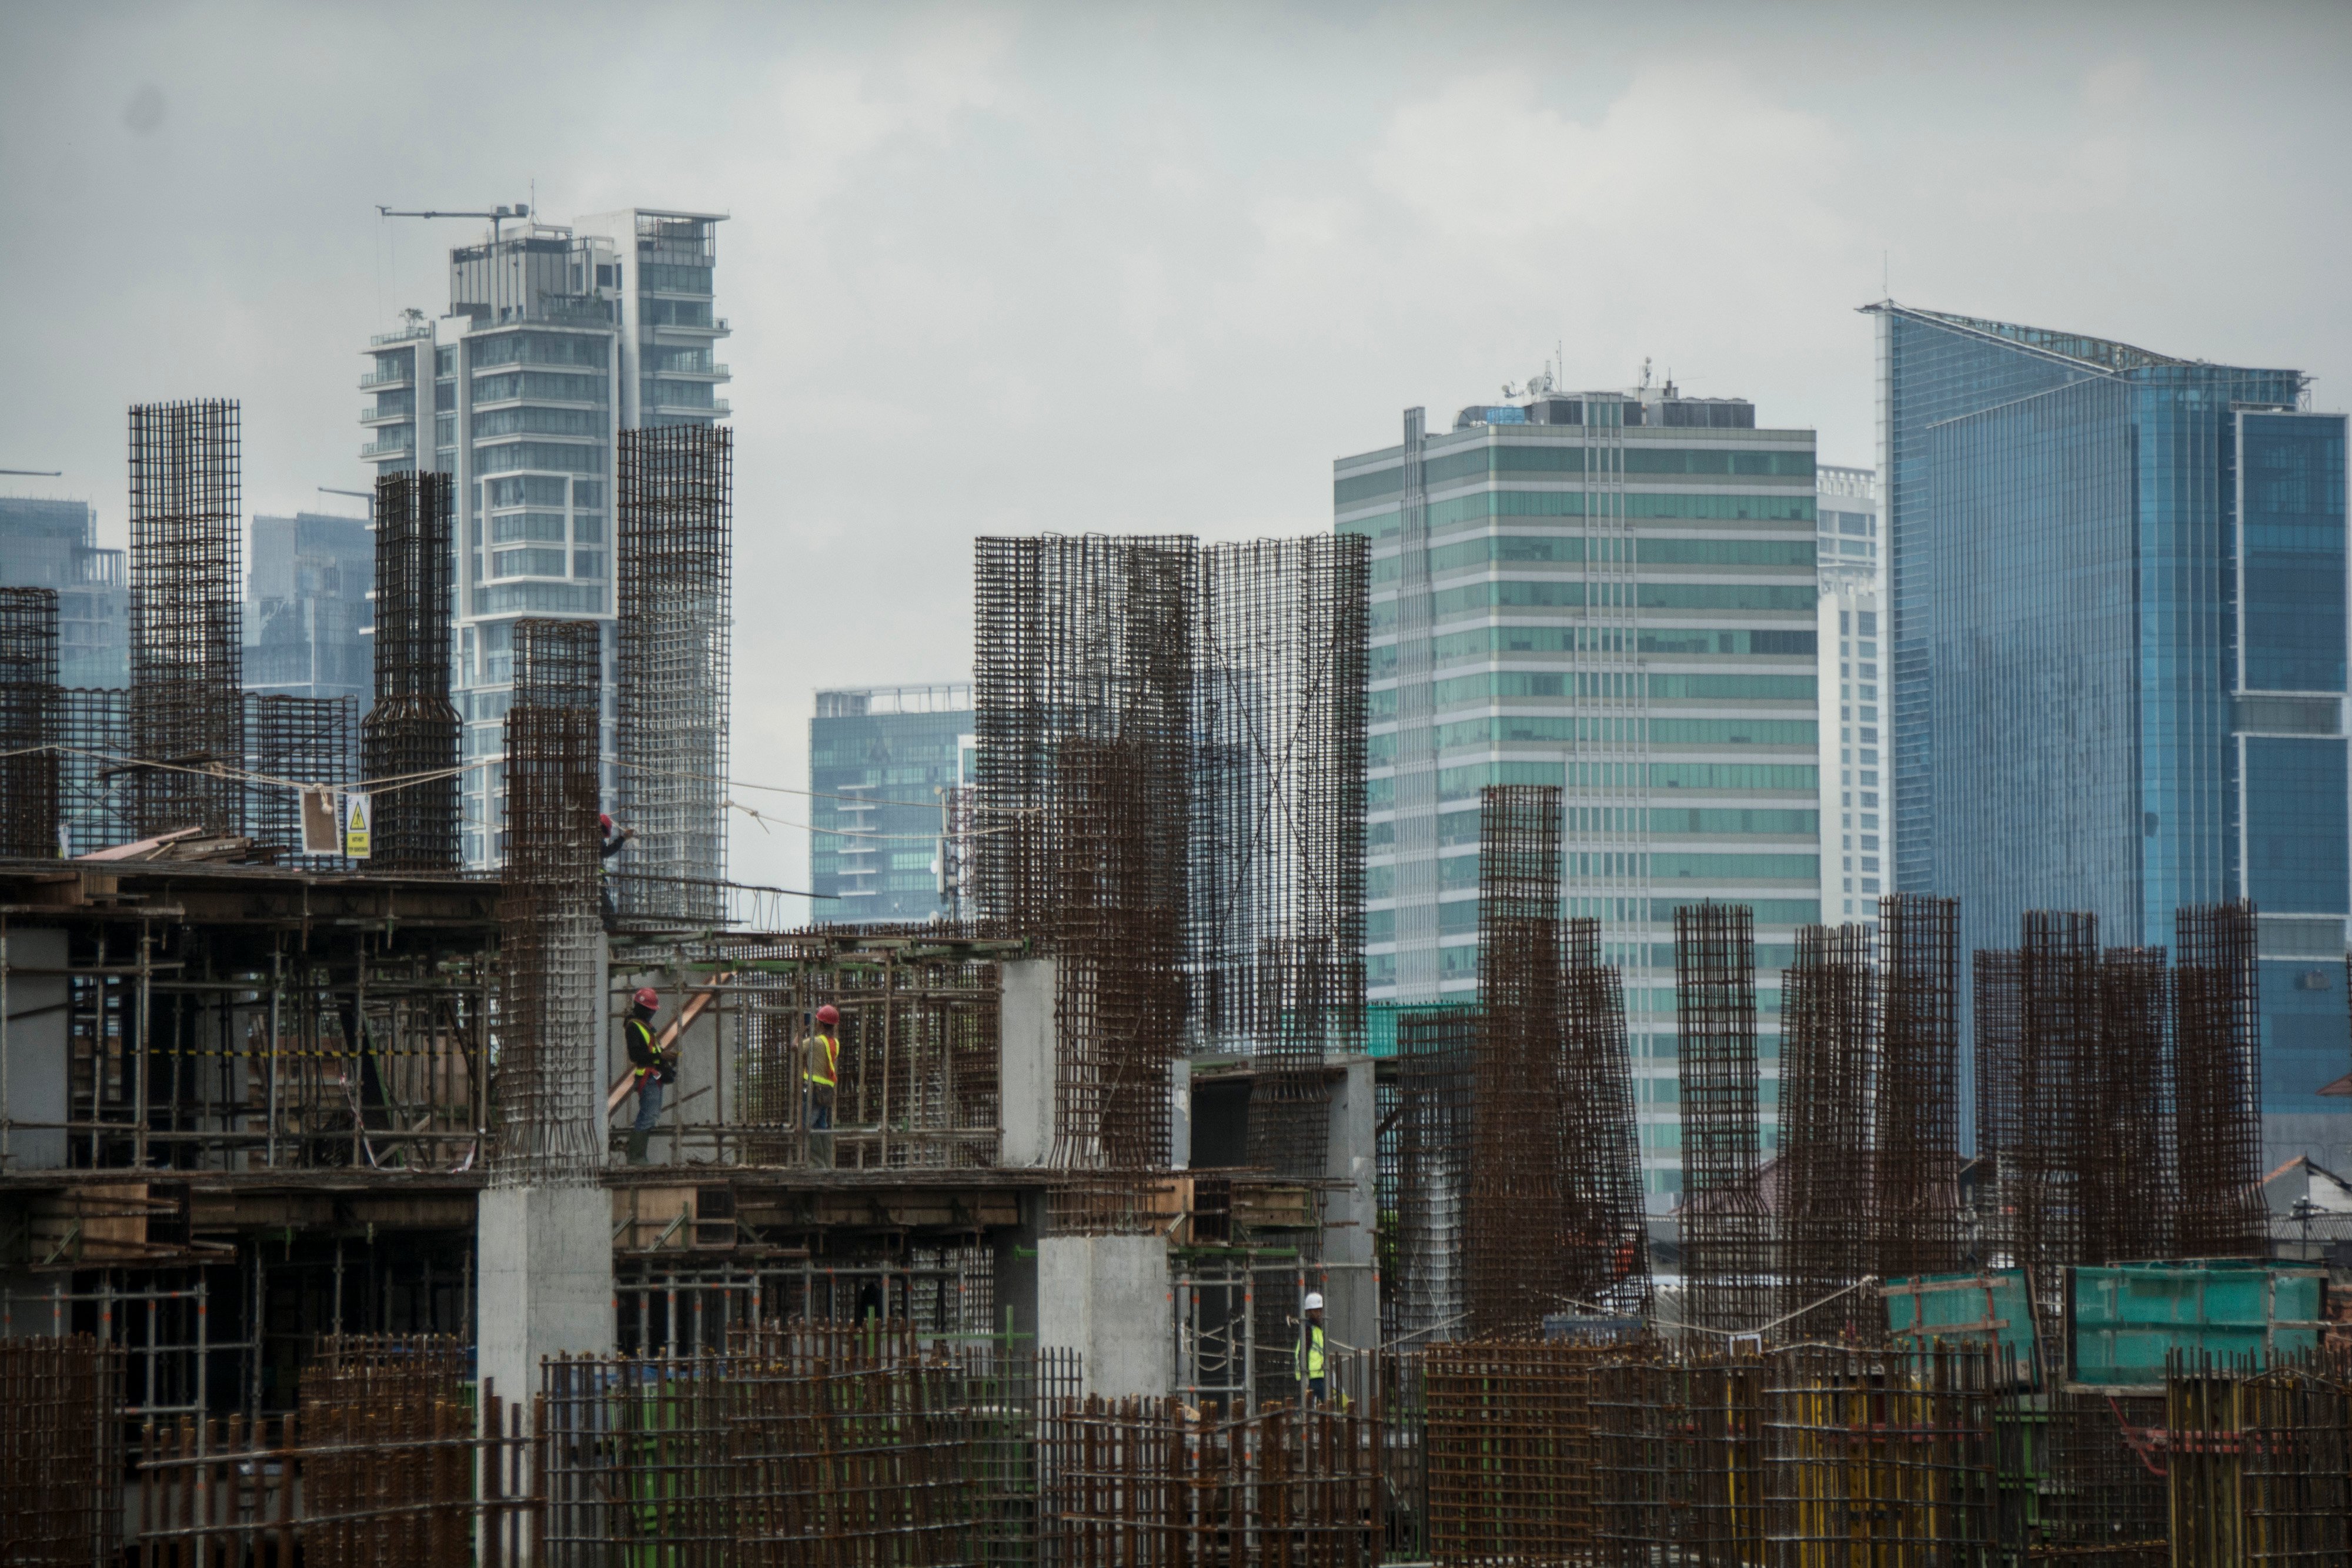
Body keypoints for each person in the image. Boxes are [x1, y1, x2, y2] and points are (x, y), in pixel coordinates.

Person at [623, 987, 673, 1165]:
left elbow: (652, 1050)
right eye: (650, 1010)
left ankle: (639, 1156)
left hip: (654, 1076)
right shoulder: (634, 1027)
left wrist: (665, 1057)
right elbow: (636, 1056)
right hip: (647, 1076)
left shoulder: (646, 1027)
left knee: (651, 1115)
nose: (652, 1013)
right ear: (643, 1008)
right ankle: (636, 1157)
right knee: (648, 1115)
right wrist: (661, 1056)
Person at [803, 1004, 841, 1168]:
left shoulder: (816, 1042)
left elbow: (795, 1047)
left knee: (806, 1125)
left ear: (819, 1023)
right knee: (822, 1126)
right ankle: (827, 1164)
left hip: (814, 1090)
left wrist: (802, 1029)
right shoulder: (835, 1043)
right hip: (827, 1092)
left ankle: (818, 1165)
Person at [598, 813, 636, 930]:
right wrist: (623, 838)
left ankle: (606, 927)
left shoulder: (589, 837)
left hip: (591, 879)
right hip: (595, 881)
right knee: (607, 909)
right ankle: (610, 929)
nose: (604, 837)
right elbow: (605, 852)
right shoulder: (595, 839)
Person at [1298, 1290, 1327, 1404]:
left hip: (1318, 1374)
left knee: (1313, 1404)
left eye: (1320, 1310)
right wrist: (1305, 1374)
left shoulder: (1318, 1330)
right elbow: (1303, 1353)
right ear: (1309, 1312)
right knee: (1324, 1403)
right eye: (1316, 1311)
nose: (1319, 1314)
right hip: (1312, 1376)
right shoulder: (1308, 1329)